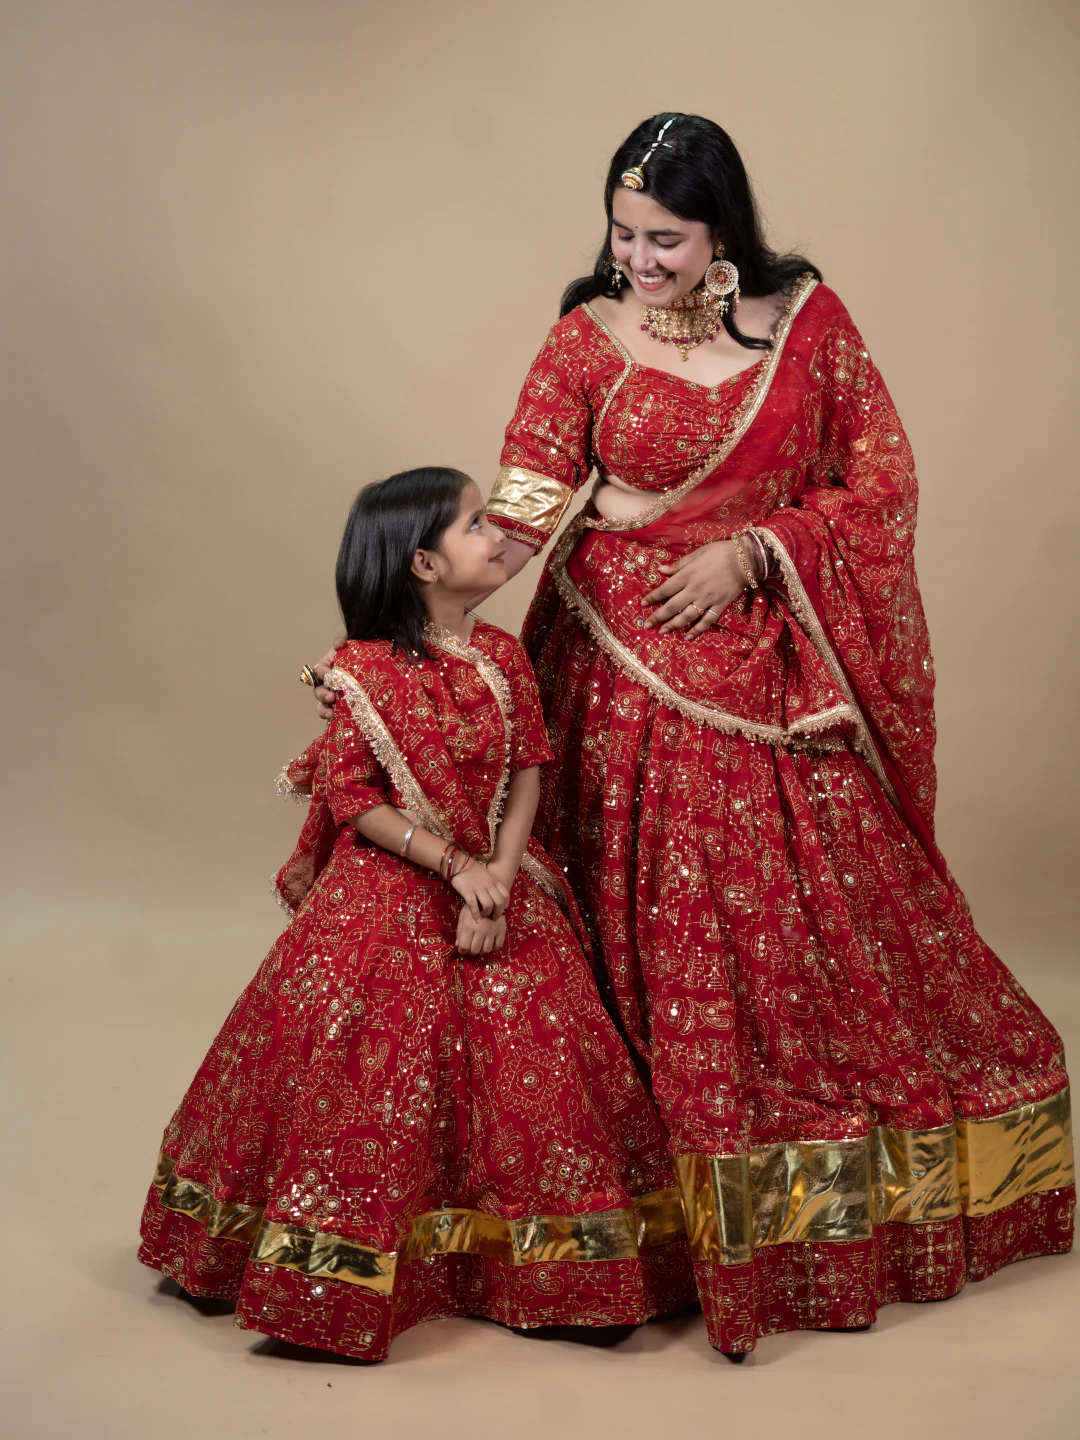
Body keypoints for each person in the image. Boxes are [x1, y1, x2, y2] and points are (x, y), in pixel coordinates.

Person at [315, 114, 1073, 1359]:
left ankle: (811, 1200)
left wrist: (752, 551)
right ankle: (635, 1197)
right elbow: (523, 500)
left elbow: (879, 483)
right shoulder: (583, 341)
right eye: (622, 234)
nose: (639, 260)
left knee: (808, 920)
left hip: (772, 660)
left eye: (665, 237)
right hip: (618, 662)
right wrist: (397, 626)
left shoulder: (808, 328)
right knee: (638, 909)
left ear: (723, 228)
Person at [139, 466, 695, 1363]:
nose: (496, 535)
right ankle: (323, 1268)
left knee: (535, 1054)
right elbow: (353, 795)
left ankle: (557, 1274)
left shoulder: (506, 655)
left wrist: (502, 878)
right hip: (392, 887)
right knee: (369, 1067)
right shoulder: (361, 671)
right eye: (477, 524)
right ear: (423, 564)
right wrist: (454, 867)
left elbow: (528, 769)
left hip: (498, 878)